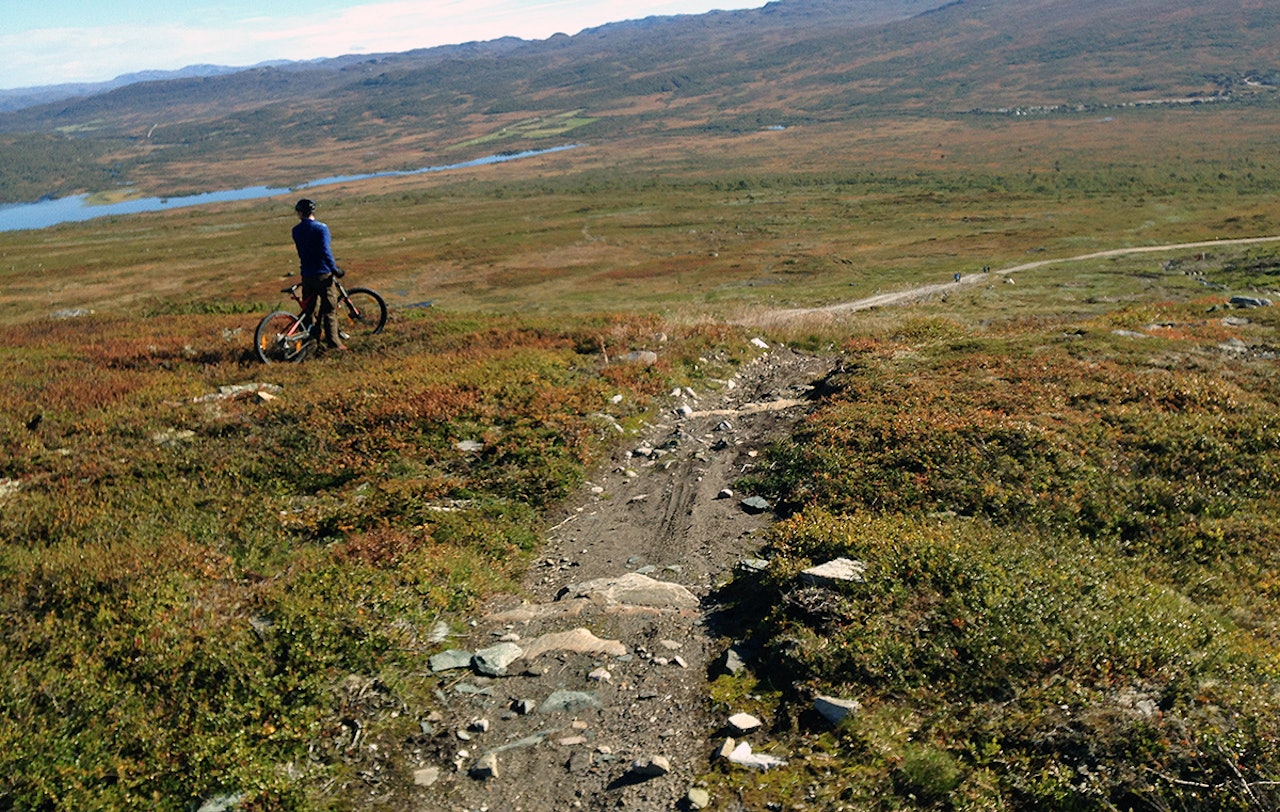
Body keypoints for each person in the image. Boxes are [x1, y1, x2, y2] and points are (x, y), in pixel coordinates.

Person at [291, 198, 347, 350]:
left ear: (299, 213)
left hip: (306, 275)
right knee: (329, 309)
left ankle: (309, 345)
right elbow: (325, 251)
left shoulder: (296, 230)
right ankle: (334, 343)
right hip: (323, 274)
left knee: (309, 311)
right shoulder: (321, 228)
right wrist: (334, 269)